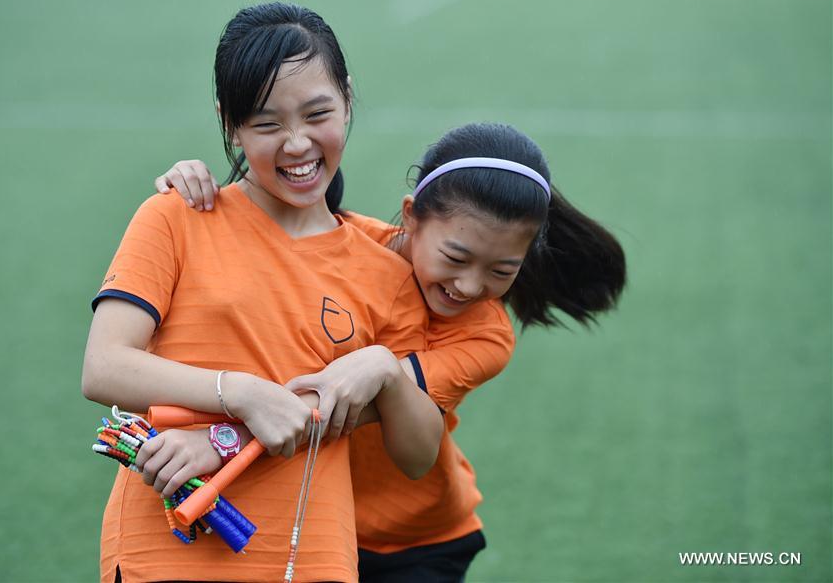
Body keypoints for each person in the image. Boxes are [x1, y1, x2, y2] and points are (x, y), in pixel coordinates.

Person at [152, 122, 627, 581]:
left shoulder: (485, 335)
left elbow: (342, 405)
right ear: (412, 215)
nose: (470, 285)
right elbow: (251, 217)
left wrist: (218, 443)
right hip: (311, 516)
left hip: (415, 544)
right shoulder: (341, 242)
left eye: (502, 271)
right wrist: (197, 186)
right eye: (456, 258)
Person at [82, 2, 444, 583]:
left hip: (312, 556)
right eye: (267, 124)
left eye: (317, 113)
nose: (297, 144)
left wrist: (387, 369)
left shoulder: (386, 273)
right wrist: (242, 393)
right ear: (230, 124)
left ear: (348, 99)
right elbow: (103, 367)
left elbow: (418, 455)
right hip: (164, 549)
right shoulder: (175, 216)